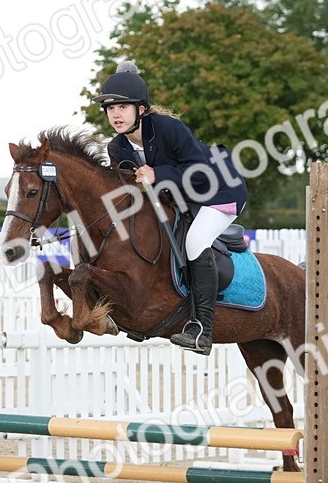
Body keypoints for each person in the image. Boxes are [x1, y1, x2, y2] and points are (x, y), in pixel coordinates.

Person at [94, 61, 248, 355]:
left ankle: (202, 330)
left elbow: (200, 172)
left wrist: (158, 174)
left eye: (123, 107)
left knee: (195, 242)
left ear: (140, 110)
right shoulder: (118, 148)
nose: (115, 114)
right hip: (180, 200)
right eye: (110, 108)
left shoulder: (168, 128)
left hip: (219, 191)